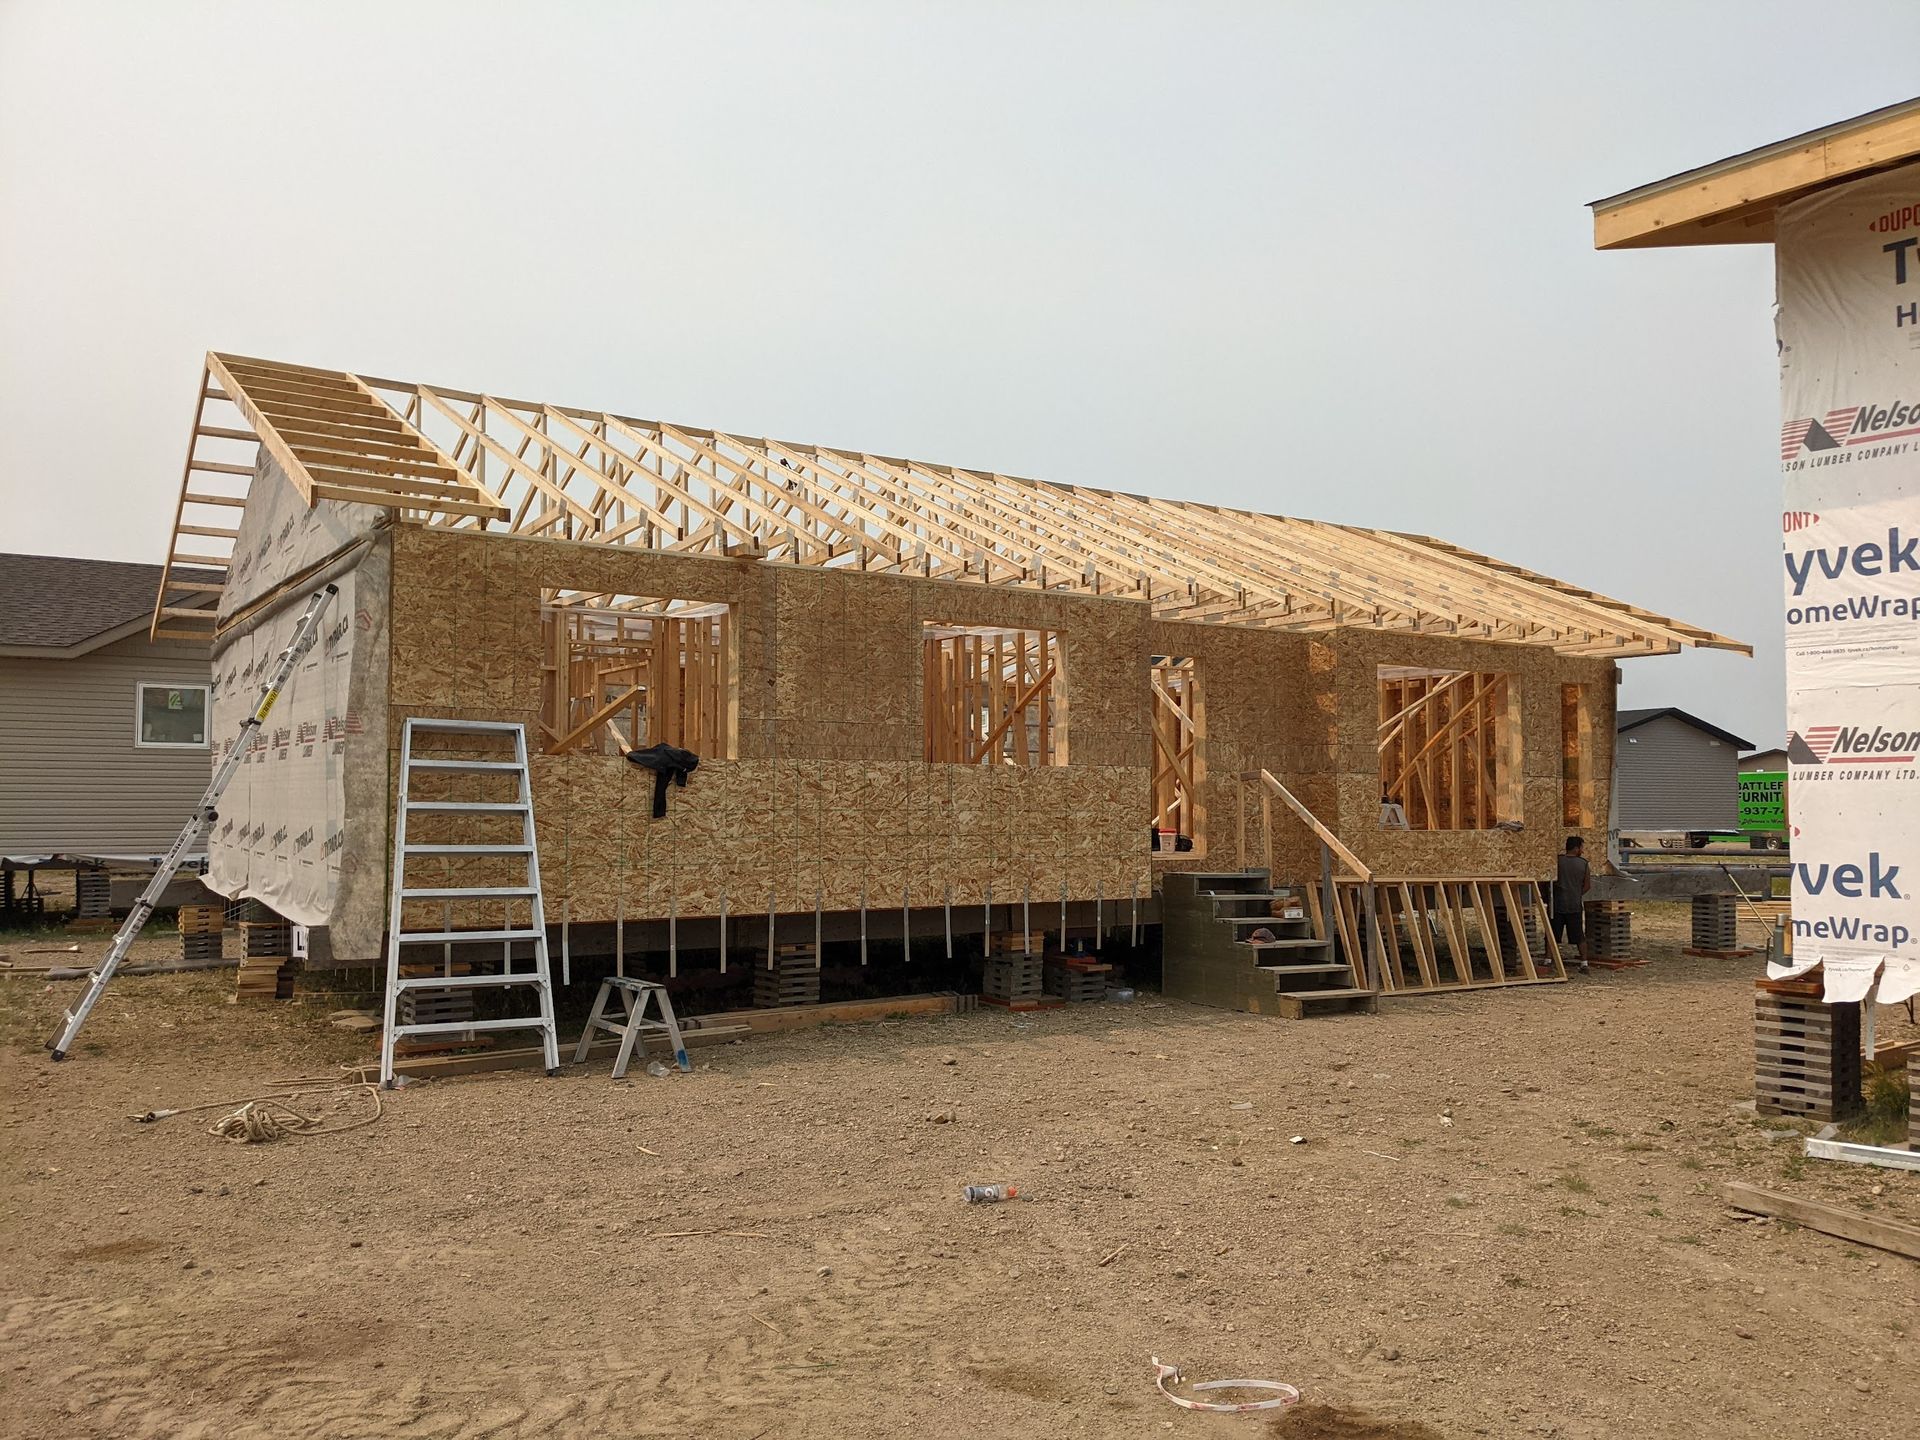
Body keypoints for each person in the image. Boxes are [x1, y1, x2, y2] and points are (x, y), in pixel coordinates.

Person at [1553, 836, 1591, 972]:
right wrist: (1576, 893)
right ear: (1576, 848)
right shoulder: (1583, 864)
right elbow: (1587, 885)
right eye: (1581, 847)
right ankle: (1584, 962)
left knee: (1552, 934)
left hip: (1556, 904)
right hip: (1574, 904)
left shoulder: (1557, 861)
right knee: (1579, 935)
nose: (1582, 850)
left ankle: (1547, 959)